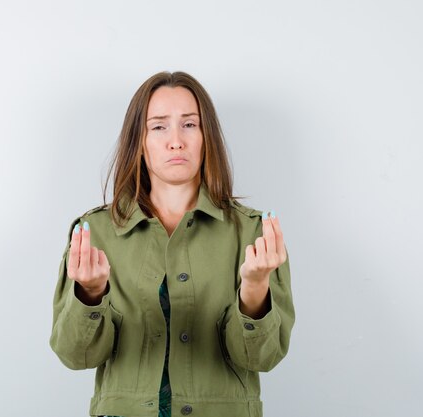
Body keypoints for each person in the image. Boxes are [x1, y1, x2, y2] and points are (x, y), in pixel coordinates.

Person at [50, 71, 295, 417]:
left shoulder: (254, 233)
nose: (175, 141)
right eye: (159, 126)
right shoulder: (95, 233)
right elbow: (76, 356)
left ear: (206, 136)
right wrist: (90, 294)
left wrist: (254, 290)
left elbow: (262, 358)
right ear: (139, 140)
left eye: (190, 125)